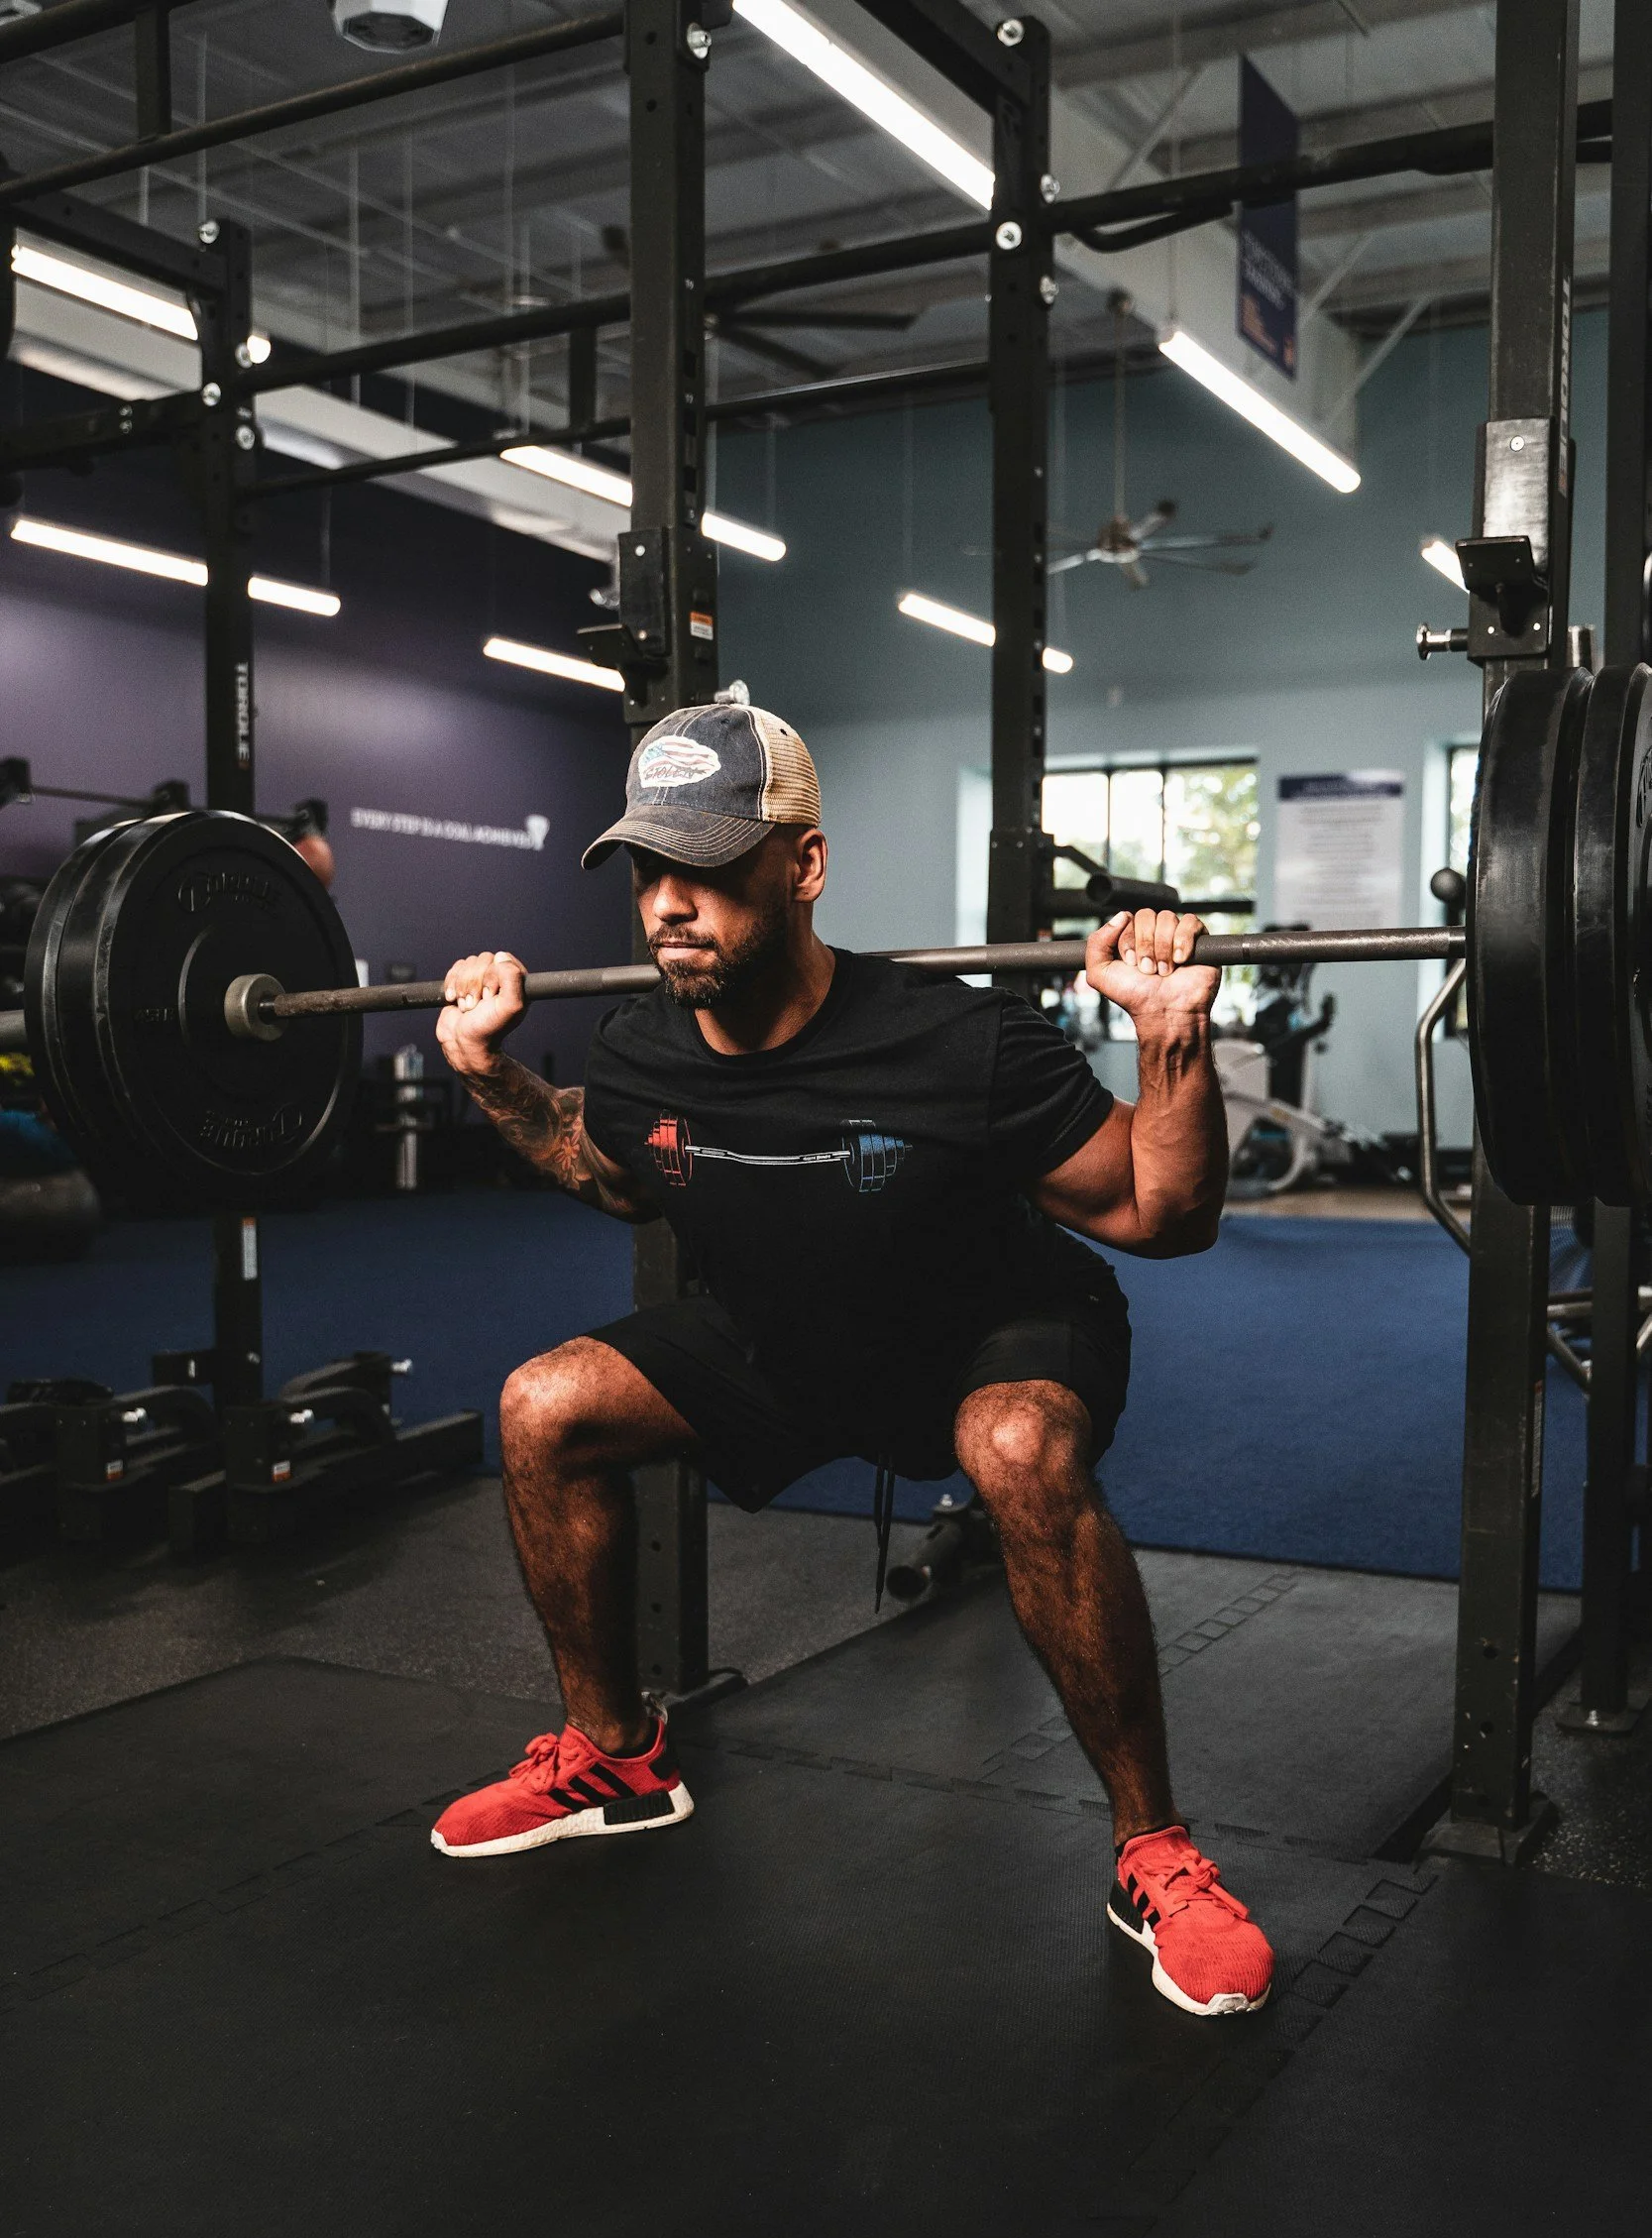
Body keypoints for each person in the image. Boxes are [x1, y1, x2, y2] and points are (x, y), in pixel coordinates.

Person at [430, 690, 1272, 2019]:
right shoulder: (638, 1043)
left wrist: (1170, 1035)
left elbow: (1158, 1217)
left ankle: (1150, 1850)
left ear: (802, 866)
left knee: (1013, 1446)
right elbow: (618, 1178)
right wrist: (496, 1081)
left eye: (704, 869)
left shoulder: (962, 1041)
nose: (667, 906)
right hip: (791, 1331)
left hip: (987, 1329)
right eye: (649, 869)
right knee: (545, 1405)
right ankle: (614, 1758)